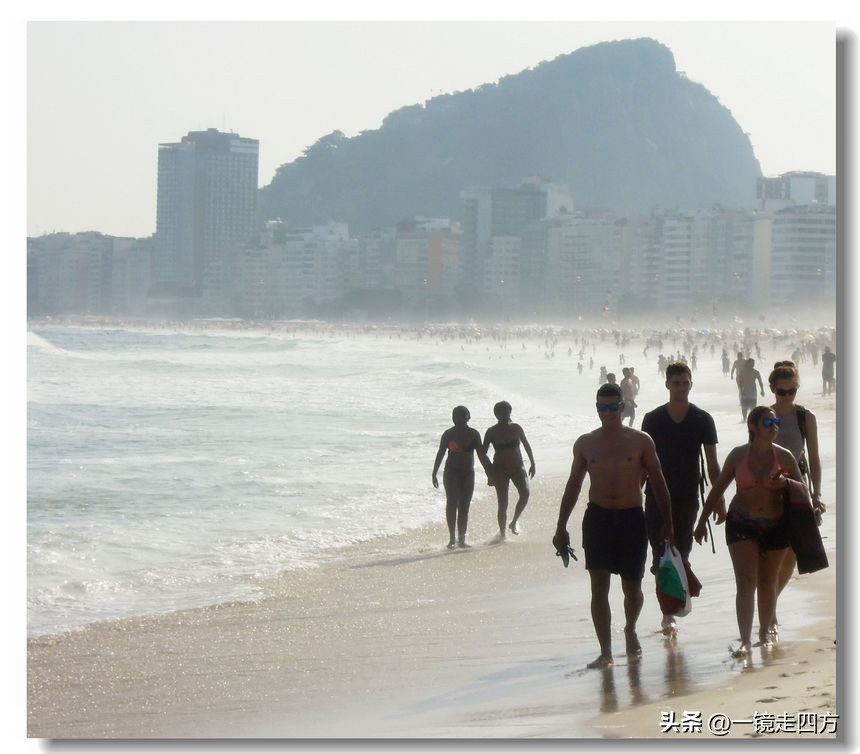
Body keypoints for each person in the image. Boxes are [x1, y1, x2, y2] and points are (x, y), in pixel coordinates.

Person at [553, 383, 674, 669]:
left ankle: (630, 628)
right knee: (599, 587)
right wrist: (561, 525)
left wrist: (668, 523)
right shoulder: (585, 443)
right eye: (601, 407)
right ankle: (605, 651)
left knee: (632, 587)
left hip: (632, 517)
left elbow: (658, 481)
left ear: (622, 407)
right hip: (598, 518)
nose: (606, 413)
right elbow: (573, 485)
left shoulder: (641, 441)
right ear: (596, 409)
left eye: (612, 407)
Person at [693, 406, 803, 659]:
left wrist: (784, 483)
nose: (774, 426)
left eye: (776, 422)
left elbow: (801, 489)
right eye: (767, 422)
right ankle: (744, 640)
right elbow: (718, 487)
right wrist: (701, 522)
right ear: (753, 426)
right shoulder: (738, 456)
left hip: (776, 525)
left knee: (767, 583)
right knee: (746, 584)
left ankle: (764, 634)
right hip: (741, 523)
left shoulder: (784, 457)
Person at [641, 362, 722, 638]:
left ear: (691, 384)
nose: (681, 388)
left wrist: (719, 501)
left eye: (685, 383)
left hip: (688, 498)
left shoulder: (702, 419)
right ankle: (668, 614)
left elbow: (713, 465)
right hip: (655, 496)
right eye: (676, 383)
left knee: (681, 553)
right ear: (667, 385)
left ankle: (673, 604)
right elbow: (643, 463)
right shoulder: (652, 420)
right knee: (660, 554)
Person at [768, 361, 824, 636]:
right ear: (773, 390)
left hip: (797, 486)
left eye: (792, 391)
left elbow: (813, 457)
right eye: (782, 392)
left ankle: (770, 606)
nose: (787, 397)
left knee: (791, 555)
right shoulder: (764, 416)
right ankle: (770, 612)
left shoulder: (805, 417)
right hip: (770, 487)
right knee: (774, 552)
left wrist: (817, 494)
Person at [432, 406, 494, 549]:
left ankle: (462, 539)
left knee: (464, 506)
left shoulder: (473, 434)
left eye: (464, 416)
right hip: (451, 472)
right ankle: (452, 539)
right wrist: (434, 472)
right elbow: (441, 453)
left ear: (469, 417)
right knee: (452, 504)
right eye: (458, 416)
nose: (461, 419)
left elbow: (481, 455)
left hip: (468, 473)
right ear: (453, 418)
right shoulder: (448, 434)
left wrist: (489, 473)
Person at [482, 401, 536, 538]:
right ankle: (503, 534)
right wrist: (489, 473)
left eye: (507, 412)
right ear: (496, 414)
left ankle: (514, 521)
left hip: (518, 466)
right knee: (503, 502)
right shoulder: (491, 432)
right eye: (501, 413)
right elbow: (483, 454)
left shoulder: (516, 428)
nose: (505, 415)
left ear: (510, 412)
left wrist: (533, 463)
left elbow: (526, 445)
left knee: (525, 493)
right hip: (500, 469)